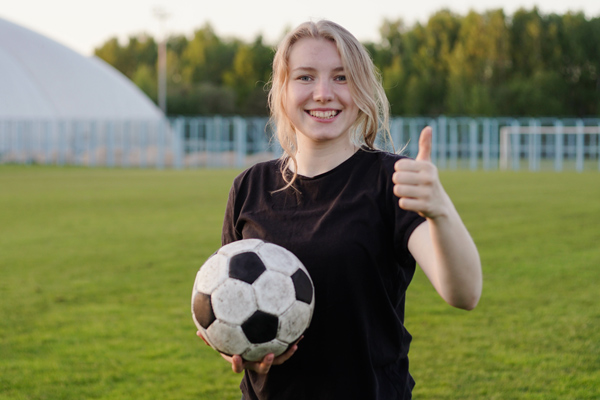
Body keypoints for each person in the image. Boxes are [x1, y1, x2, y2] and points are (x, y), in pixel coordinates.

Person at [197, 19, 482, 400]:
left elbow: (463, 293)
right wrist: (236, 347)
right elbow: (228, 298)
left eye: (341, 77)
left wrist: (440, 210)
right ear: (281, 90)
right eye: (304, 77)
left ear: (362, 89)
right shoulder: (249, 187)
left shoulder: (391, 180)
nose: (323, 93)